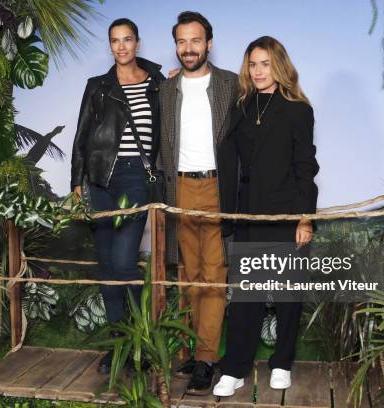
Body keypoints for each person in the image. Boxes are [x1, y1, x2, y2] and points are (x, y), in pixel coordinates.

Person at [212, 36, 319, 396]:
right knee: (246, 296)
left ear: (280, 66)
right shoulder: (242, 105)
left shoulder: (298, 109)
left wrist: (305, 218)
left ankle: (282, 361)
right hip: (249, 212)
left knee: (288, 295)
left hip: (287, 213)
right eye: (253, 64)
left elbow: (306, 167)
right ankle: (236, 367)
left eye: (265, 64)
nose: (258, 71)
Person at [70, 18, 166, 374]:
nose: (121, 47)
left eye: (127, 40)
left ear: (137, 43)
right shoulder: (97, 86)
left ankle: (141, 340)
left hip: (135, 177)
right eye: (115, 41)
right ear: (110, 46)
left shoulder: (157, 84)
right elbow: (82, 136)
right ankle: (117, 346)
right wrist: (77, 180)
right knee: (108, 266)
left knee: (125, 263)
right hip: (99, 179)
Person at [158, 11, 238, 395]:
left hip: (217, 190)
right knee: (187, 275)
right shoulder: (165, 89)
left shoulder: (232, 84)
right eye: (181, 42)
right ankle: (190, 349)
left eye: (195, 41)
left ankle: (207, 358)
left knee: (214, 276)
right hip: (179, 192)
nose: (188, 49)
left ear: (209, 42)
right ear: (176, 46)